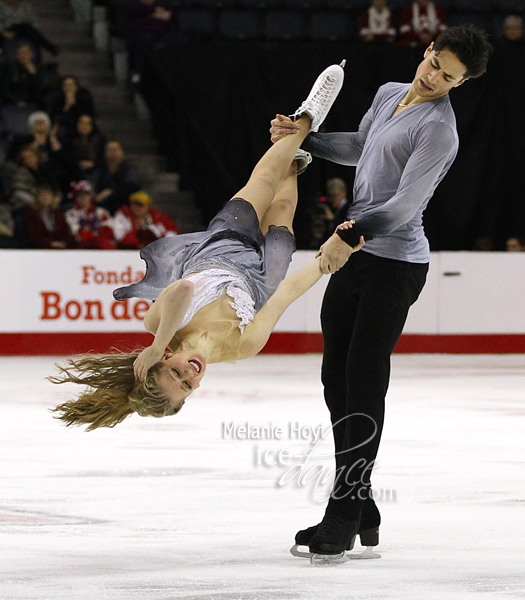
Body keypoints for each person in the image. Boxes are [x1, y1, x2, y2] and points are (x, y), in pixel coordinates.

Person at [270, 25, 492, 564]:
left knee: (363, 380)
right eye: (435, 63)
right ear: (427, 50)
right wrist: (304, 140)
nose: (434, 76)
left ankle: (343, 514)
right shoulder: (390, 92)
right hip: (357, 255)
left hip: (394, 265)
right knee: (334, 379)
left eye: (448, 76)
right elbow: (360, 147)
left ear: (461, 84)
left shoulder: (440, 132)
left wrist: (347, 234)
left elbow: (402, 208)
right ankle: (361, 501)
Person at [50, 62, 351, 433]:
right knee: (285, 202)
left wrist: (159, 342)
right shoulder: (242, 348)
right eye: (187, 387)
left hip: (218, 251)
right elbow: (284, 294)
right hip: (262, 276)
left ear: (164, 359)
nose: (188, 376)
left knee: (265, 177)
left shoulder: (160, 325)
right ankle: (290, 155)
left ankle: (305, 118)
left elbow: (182, 289)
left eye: (174, 373)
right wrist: (328, 260)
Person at [113, 190, 178, 249]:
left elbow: (172, 234)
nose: (137, 208)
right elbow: (120, 236)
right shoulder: (123, 216)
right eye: (135, 204)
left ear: (148, 206)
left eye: (141, 205)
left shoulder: (157, 217)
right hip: (128, 251)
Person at [64, 180, 116, 249]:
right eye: (80, 194)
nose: (84, 197)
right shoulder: (70, 214)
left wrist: (93, 236)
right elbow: (76, 235)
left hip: (101, 248)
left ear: (91, 195)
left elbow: (108, 230)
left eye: (86, 194)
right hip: (80, 250)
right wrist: (93, 235)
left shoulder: (101, 212)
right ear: (75, 197)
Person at [93, 140, 140, 213]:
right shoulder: (99, 171)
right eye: (110, 150)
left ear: (122, 152)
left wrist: (111, 192)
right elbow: (93, 189)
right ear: (105, 153)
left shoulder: (129, 169)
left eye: (116, 149)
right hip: (102, 209)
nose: (113, 152)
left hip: (126, 208)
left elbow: (131, 186)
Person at [23, 183, 73, 248]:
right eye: (42, 195)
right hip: (39, 248)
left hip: (59, 247)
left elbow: (65, 231)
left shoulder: (58, 213)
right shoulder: (31, 213)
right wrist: (50, 243)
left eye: (47, 195)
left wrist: (63, 243)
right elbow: (33, 235)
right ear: (37, 197)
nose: (45, 197)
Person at [310, 177, 349, 248]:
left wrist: (331, 219)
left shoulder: (348, 209)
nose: (332, 199)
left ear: (343, 193)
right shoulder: (334, 208)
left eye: (335, 195)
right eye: (330, 195)